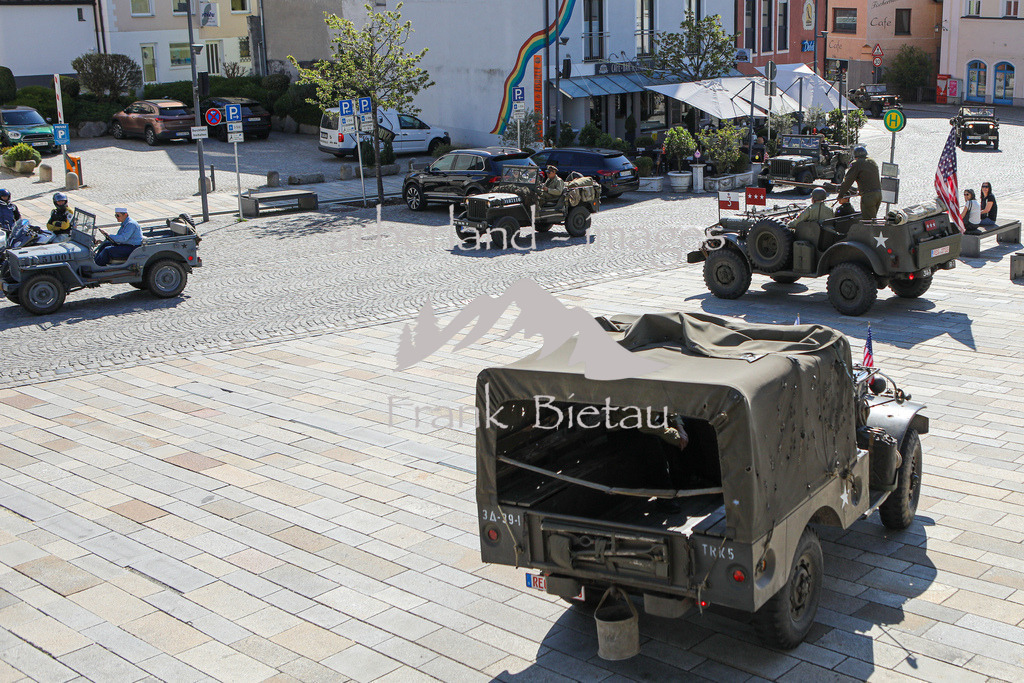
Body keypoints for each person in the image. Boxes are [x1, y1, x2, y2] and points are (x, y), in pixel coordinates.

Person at [835, 145, 882, 220]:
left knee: (868, 222)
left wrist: (840, 195)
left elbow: (848, 181)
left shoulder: (857, 163)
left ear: (855, 156)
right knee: (872, 219)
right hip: (878, 195)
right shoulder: (872, 162)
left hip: (868, 196)